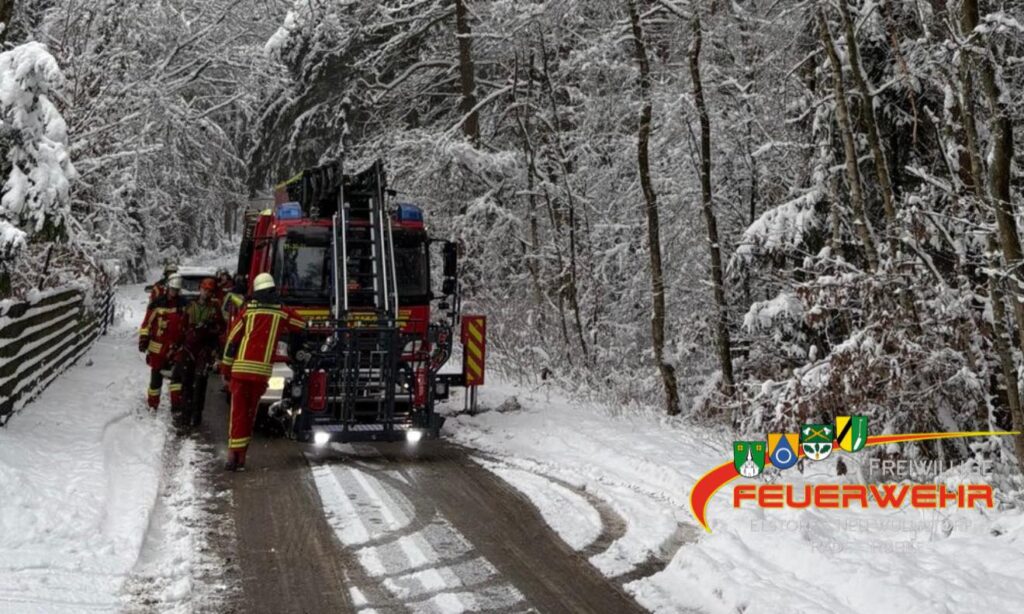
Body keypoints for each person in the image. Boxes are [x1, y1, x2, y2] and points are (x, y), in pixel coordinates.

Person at [220, 273, 304, 471]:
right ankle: (241, 458)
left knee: (237, 414)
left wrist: (225, 368)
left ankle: (234, 458)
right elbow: (301, 325)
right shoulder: (282, 312)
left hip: (240, 372)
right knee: (250, 414)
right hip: (261, 374)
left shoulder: (248, 311)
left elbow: (232, 341)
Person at [170, 278, 222, 426]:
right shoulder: (190, 306)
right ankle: (185, 415)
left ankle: (196, 416)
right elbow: (182, 327)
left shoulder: (214, 308)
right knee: (186, 382)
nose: (207, 293)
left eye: (210, 291)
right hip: (188, 348)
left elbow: (221, 329)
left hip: (203, 350)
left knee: (200, 383)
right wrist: (176, 346)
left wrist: (209, 330)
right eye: (205, 289)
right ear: (200, 289)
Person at [139, 274, 187, 411]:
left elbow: (187, 325)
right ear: (168, 288)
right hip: (157, 348)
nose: (174, 293)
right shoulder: (157, 303)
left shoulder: (184, 305)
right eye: (173, 290)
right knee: (156, 380)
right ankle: (153, 405)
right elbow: (147, 324)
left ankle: (176, 407)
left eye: (177, 291)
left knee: (176, 380)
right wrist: (143, 339)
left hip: (176, 347)